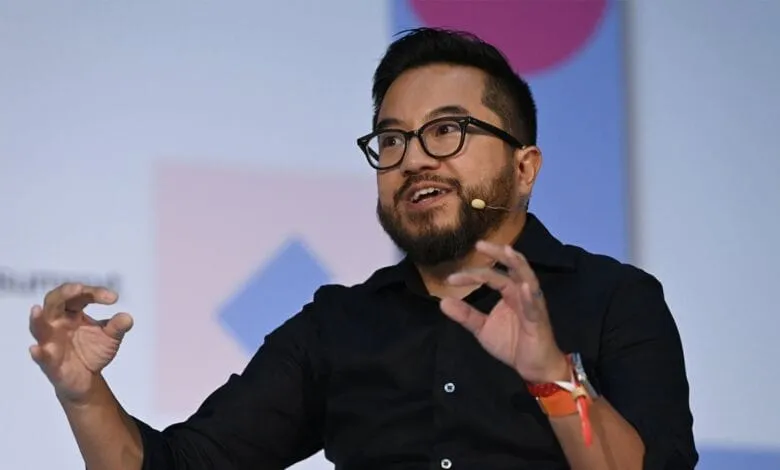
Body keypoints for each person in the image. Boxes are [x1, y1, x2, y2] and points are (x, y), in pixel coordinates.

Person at [28, 28, 697, 470]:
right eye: (393, 139)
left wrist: (550, 371)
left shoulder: (616, 300)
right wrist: (84, 394)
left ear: (525, 168)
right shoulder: (338, 326)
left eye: (448, 132)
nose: (414, 160)